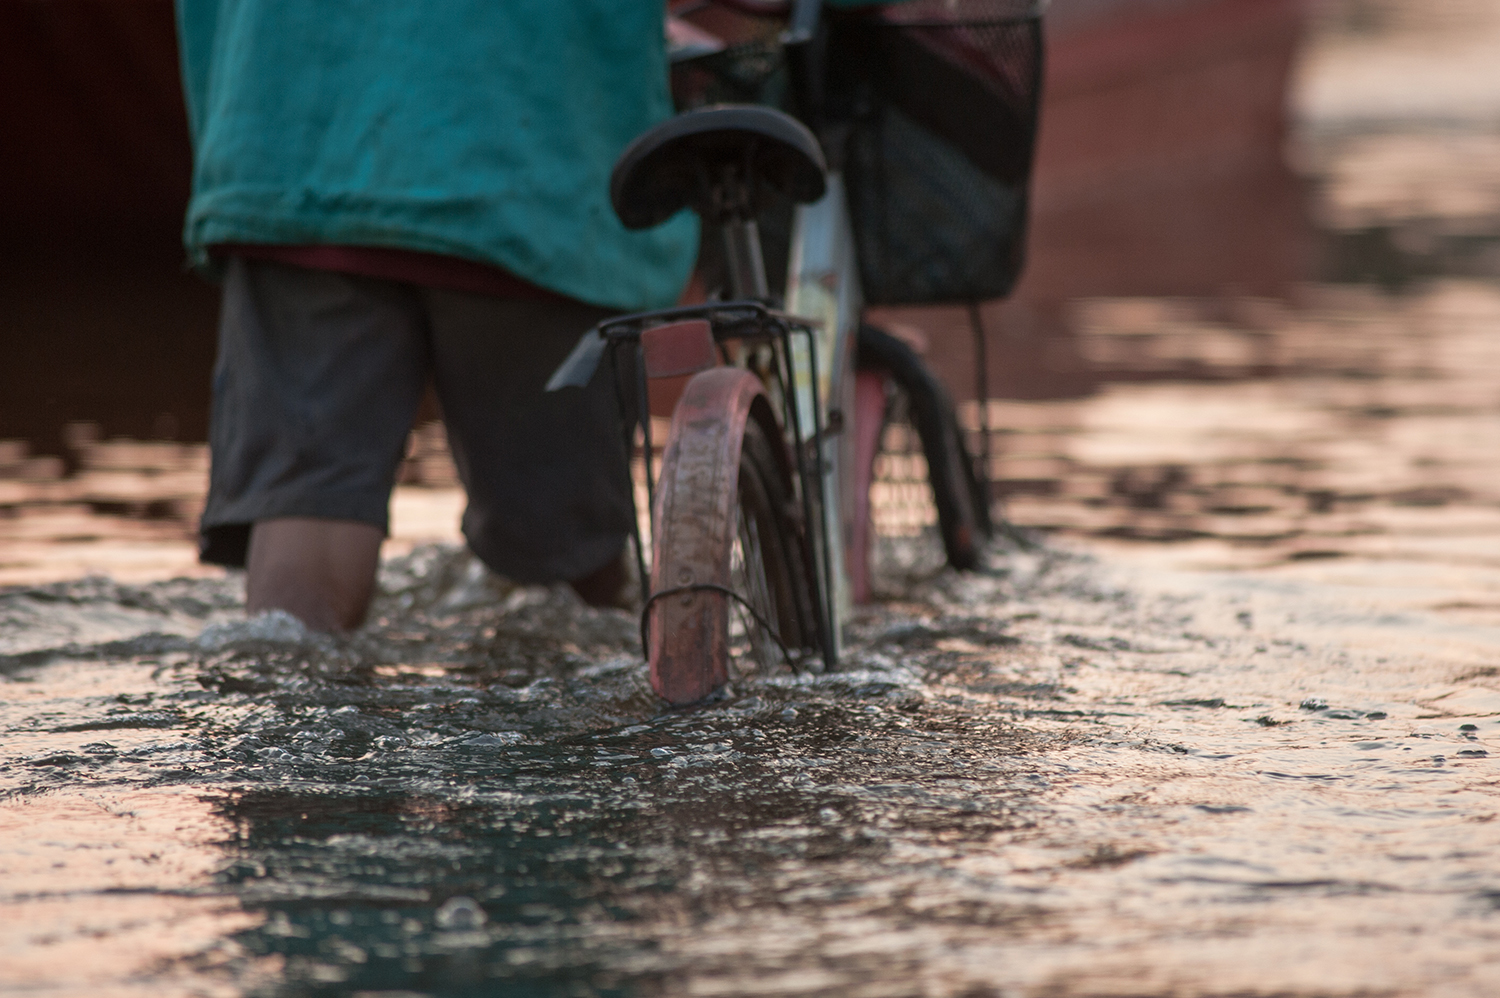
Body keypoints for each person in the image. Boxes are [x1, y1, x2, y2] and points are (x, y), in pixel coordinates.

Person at [175, 2, 697, 631]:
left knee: (305, 525)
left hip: (289, 142)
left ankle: (287, 710)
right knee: (563, 574)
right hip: (531, 172)